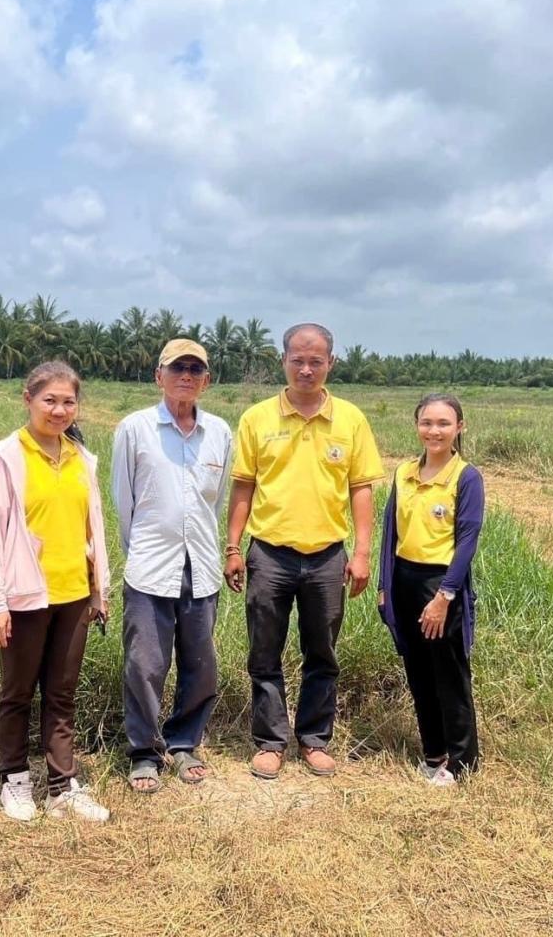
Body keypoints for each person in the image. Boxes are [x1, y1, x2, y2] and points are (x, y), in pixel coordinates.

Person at [224, 323, 385, 779]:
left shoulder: (350, 419)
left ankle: (314, 738)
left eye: (316, 360)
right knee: (264, 651)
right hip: (269, 554)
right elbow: (244, 486)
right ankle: (271, 741)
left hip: (327, 556)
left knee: (323, 653)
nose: (307, 368)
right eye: (298, 359)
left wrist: (362, 553)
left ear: (331, 363)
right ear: (284, 361)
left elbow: (361, 490)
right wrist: (234, 547)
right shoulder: (258, 418)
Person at [0, 360, 111, 822]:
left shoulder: (81, 458)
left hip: (73, 593)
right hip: (23, 597)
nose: (59, 410)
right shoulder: (5, 460)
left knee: (62, 693)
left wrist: (99, 590)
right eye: (49, 400)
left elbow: (92, 530)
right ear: (27, 399)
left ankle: (61, 787)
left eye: (68, 401)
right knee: (17, 692)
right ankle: (14, 780)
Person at [112, 338, 233, 793]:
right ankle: (144, 752)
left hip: (200, 564)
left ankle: (183, 743)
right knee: (145, 664)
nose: (186, 375)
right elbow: (124, 501)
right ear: (158, 376)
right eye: (177, 367)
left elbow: (213, 501)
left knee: (201, 664)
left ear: (207, 379)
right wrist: (139, 548)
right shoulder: (135, 428)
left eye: (195, 369)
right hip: (149, 566)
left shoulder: (219, 432)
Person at [377, 393, 485, 786]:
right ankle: (433, 752)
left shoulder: (465, 476)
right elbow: (391, 532)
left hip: (441, 585)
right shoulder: (404, 472)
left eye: (443, 423)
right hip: (403, 579)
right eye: (427, 422)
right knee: (418, 670)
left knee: (449, 673)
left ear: (460, 428)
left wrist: (445, 596)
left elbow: (467, 540)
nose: (434, 431)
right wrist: (383, 586)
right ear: (416, 425)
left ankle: (462, 762)